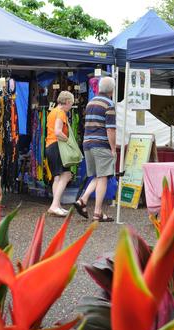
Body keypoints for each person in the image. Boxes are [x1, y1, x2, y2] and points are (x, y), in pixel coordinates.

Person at [73, 76, 117, 222]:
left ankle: (82, 200)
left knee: (98, 176)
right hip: (101, 144)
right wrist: (113, 149)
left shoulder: (91, 102)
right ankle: (97, 212)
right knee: (103, 177)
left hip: (87, 143)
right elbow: (110, 130)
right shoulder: (109, 104)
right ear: (112, 89)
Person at [45, 91, 76, 217]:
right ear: (67, 102)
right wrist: (69, 142)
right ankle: (54, 205)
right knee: (67, 175)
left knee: (57, 177)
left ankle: (56, 205)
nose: (70, 107)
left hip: (50, 146)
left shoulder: (52, 111)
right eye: (71, 104)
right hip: (57, 146)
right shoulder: (61, 113)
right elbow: (58, 132)